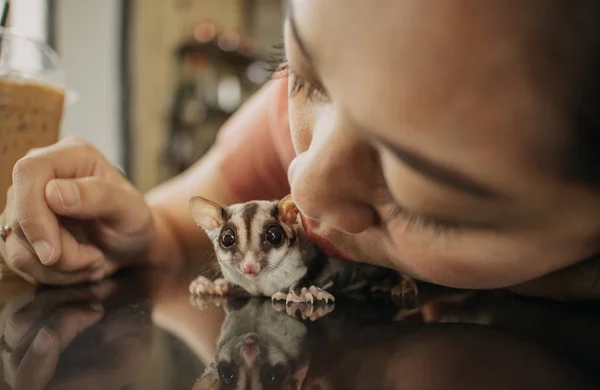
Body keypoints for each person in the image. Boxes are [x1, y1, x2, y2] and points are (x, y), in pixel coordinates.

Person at [1, 0, 600, 300]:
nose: (302, 181)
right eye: (301, 73)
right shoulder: (292, 127)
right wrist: (128, 238)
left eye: (418, 190)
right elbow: (176, 227)